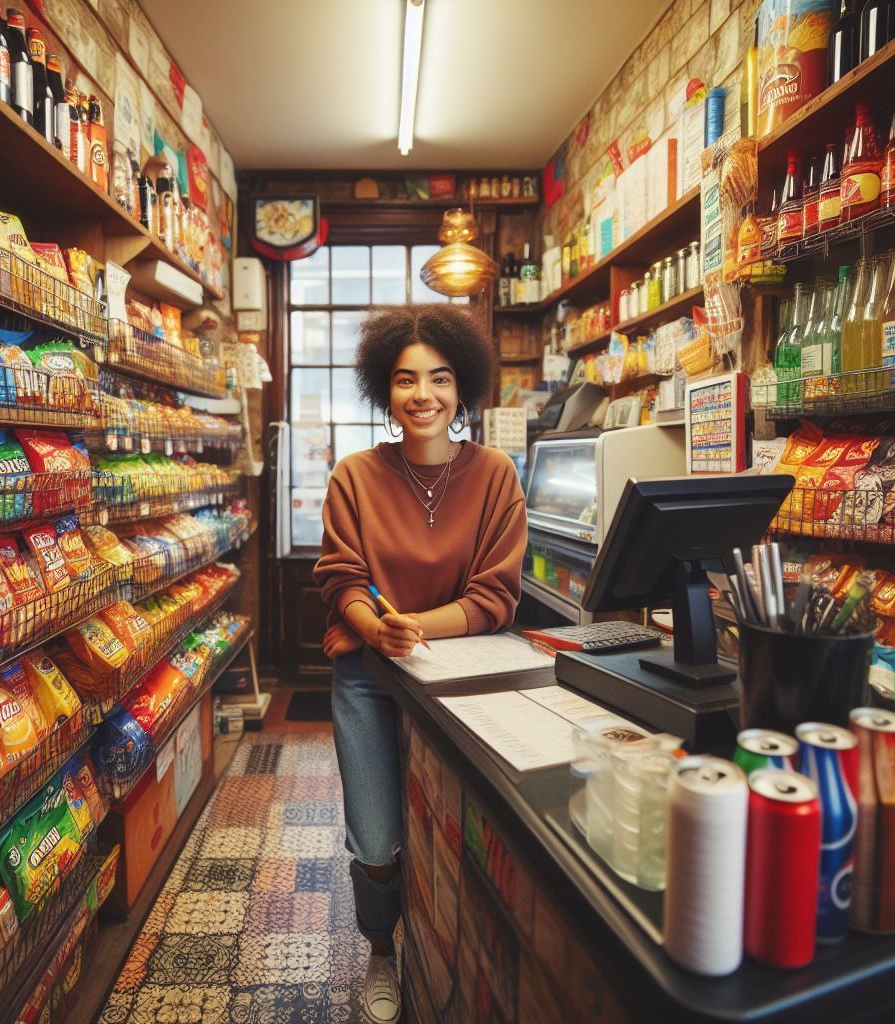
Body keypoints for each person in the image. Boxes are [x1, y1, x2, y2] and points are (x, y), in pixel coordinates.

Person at [314, 304, 528, 1024]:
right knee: (377, 836)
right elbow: (341, 578)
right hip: (368, 676)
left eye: (439, 378)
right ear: (385, 389)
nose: (423, 395)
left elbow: (496, 594)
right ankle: (381, 950)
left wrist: (413, 627)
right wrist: (376, 631)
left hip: (463, 677)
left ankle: (447, 959)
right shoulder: (355, 476)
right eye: (406, 380)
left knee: (457, 833)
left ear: (463, 387)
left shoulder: (496, 474)